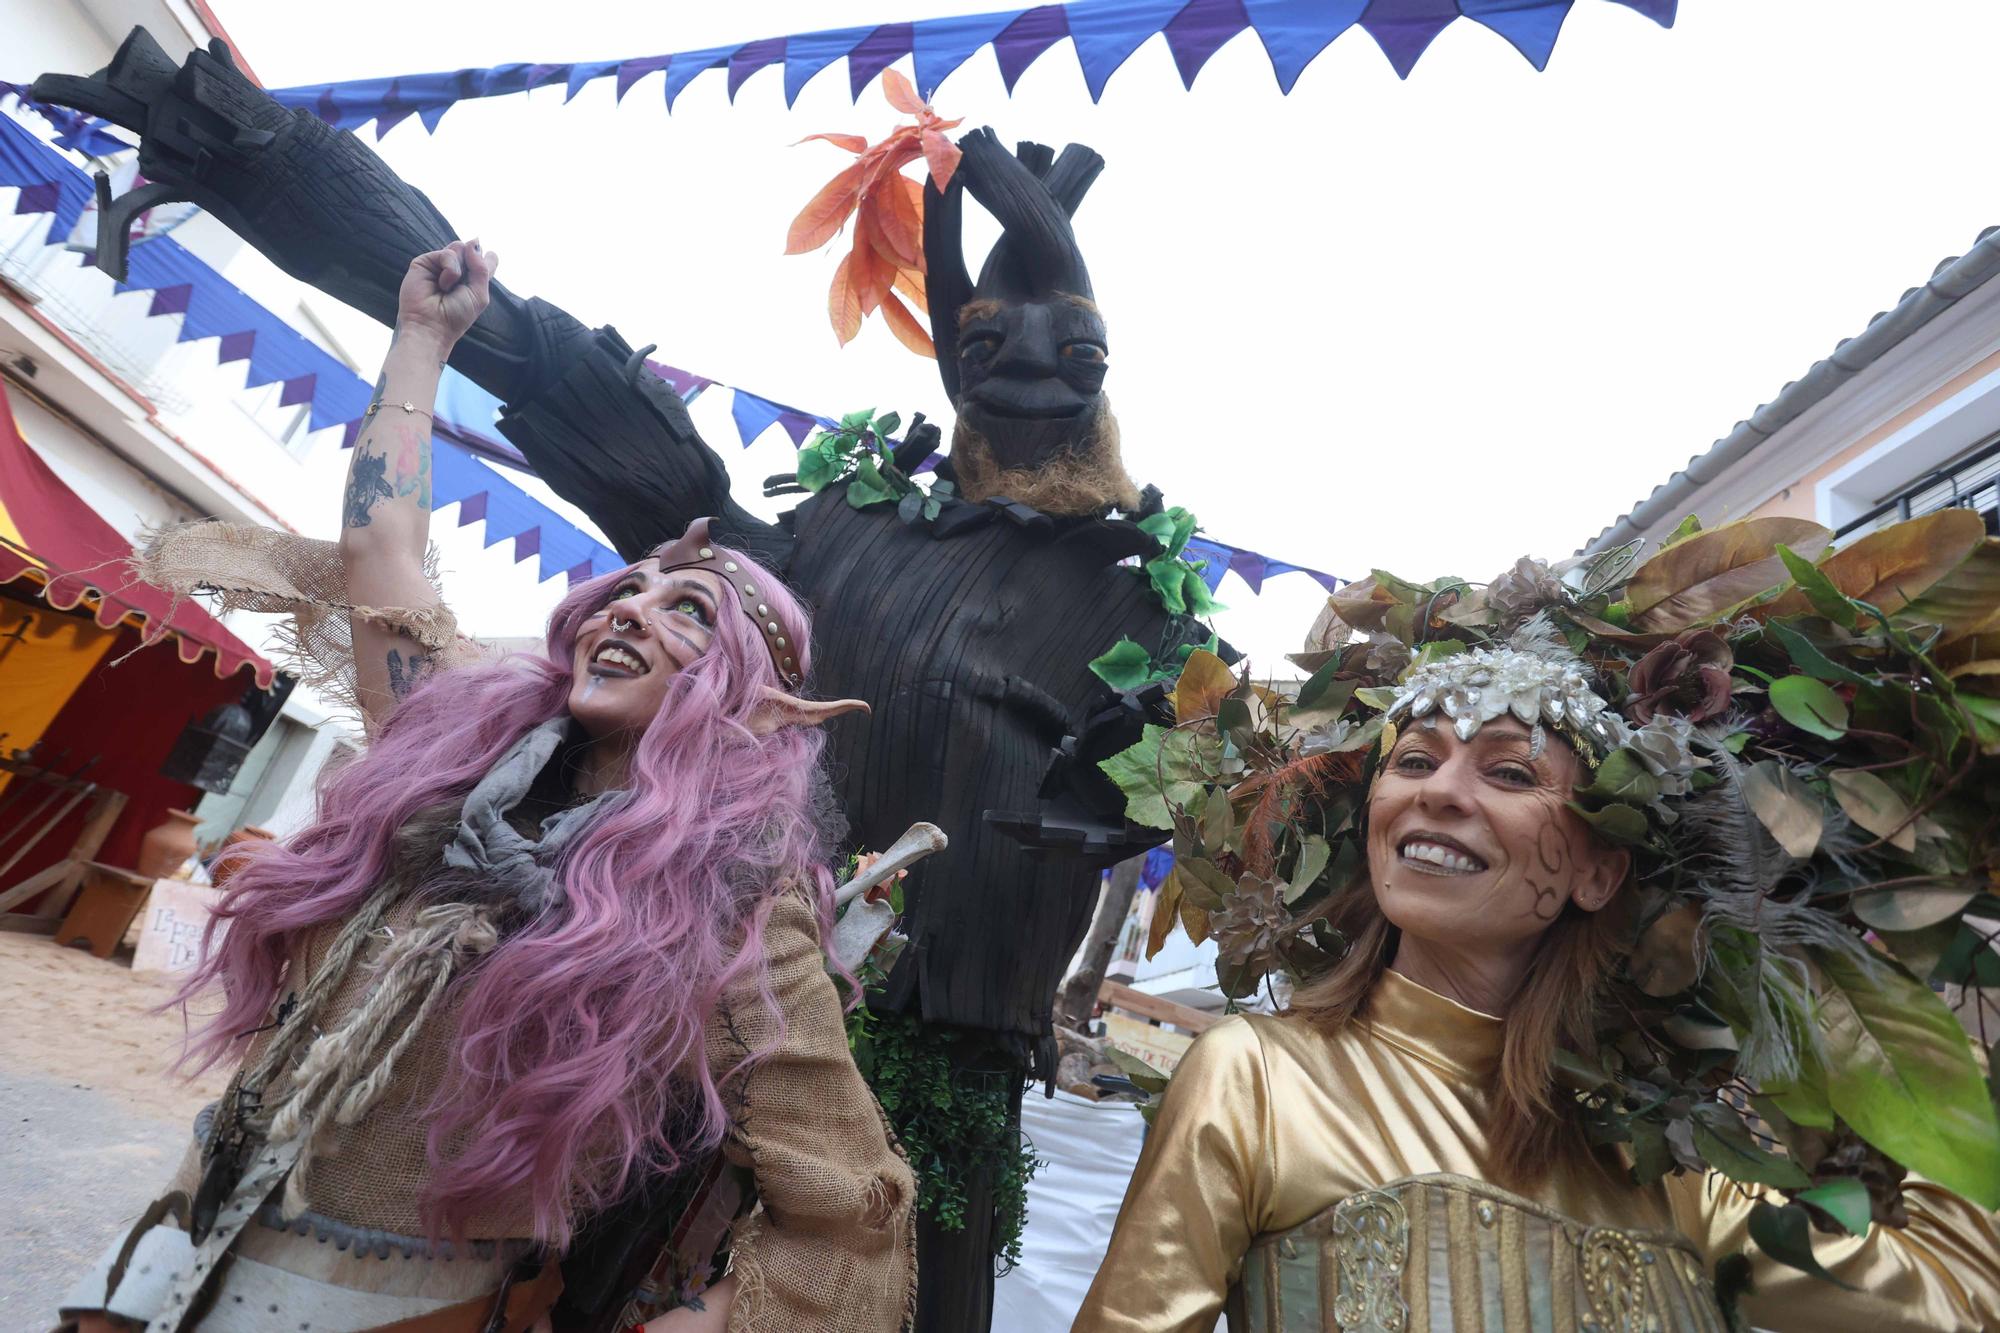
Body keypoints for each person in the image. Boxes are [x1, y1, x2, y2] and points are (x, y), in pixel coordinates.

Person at [58, 242, 916, 1333]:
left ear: (751, 704)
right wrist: (423, 338)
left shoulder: (735, 898)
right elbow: (380, 548)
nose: (630, 607)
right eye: (630, 586)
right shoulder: (448, 762)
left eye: (689, 610)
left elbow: (846, 1200)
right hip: (169, 1260)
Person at [1073, 573, 2000, 1331]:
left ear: (1598, 873)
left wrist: (1894, 987)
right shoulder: (1258, 1080)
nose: (1439, 792)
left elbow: (1959, 1306)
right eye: (1414, 759)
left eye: (1511, 771)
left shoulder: (1671, 1157)